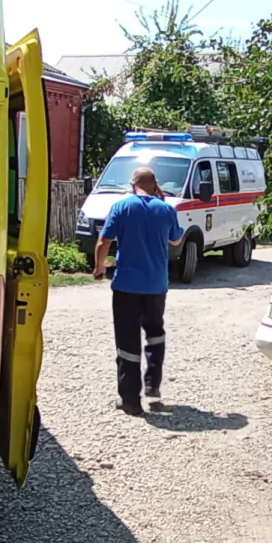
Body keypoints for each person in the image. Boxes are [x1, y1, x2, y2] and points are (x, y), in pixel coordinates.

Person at [93, 166, 184, 415]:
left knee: (127, 340)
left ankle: (131, 400)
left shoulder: (122, 207)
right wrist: (162, 202)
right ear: (156, 185)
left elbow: (104, 241)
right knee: (155, 333)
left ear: (132, 185)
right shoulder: (166, 209)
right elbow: (176, 239)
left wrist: (100, 267)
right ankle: (152, 384)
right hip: (156, 286)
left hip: (126, 287)